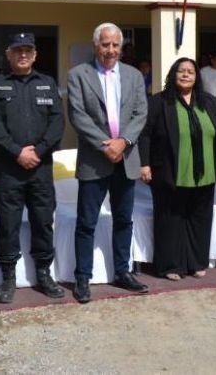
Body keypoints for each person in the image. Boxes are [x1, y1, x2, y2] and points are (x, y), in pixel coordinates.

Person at [67, 22, 148, 303]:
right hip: (94, 159)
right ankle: (82, 277)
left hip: (126, 158)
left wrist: (123, 142)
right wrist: (106, 145)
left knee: (124, 220)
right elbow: (77, 115)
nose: (110, 50)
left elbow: (140, 113)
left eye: (115, 45)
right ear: (95, 46)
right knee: (86, 222)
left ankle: (123, 272)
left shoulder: (134, 75)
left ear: (121, 47)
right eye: (105, 44)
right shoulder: (78, 75)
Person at [0, 33, 65, 303]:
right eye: (17, 50)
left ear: (35, 54)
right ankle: (8, 277)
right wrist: (17, 152)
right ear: (8, 55)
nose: (23, 55)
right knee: (8, 223)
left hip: (40, 167)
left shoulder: (47, 83)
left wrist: (37, 152)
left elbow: (57, 122)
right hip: (9, 168)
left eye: (28, 50)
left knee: (43, 221)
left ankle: (44, 274)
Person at [139, 58, 216, 280]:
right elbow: (145, 134)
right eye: (181, 71)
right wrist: (145, 164)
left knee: (199, 219)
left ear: (197, 77)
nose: (186, 75)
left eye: (190, 72)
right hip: (169, 172)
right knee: (170, 219)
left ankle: (196, 263)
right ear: (173, 75)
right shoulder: (159, 102)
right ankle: (170, 266)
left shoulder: (209, 101)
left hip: (204, 173)